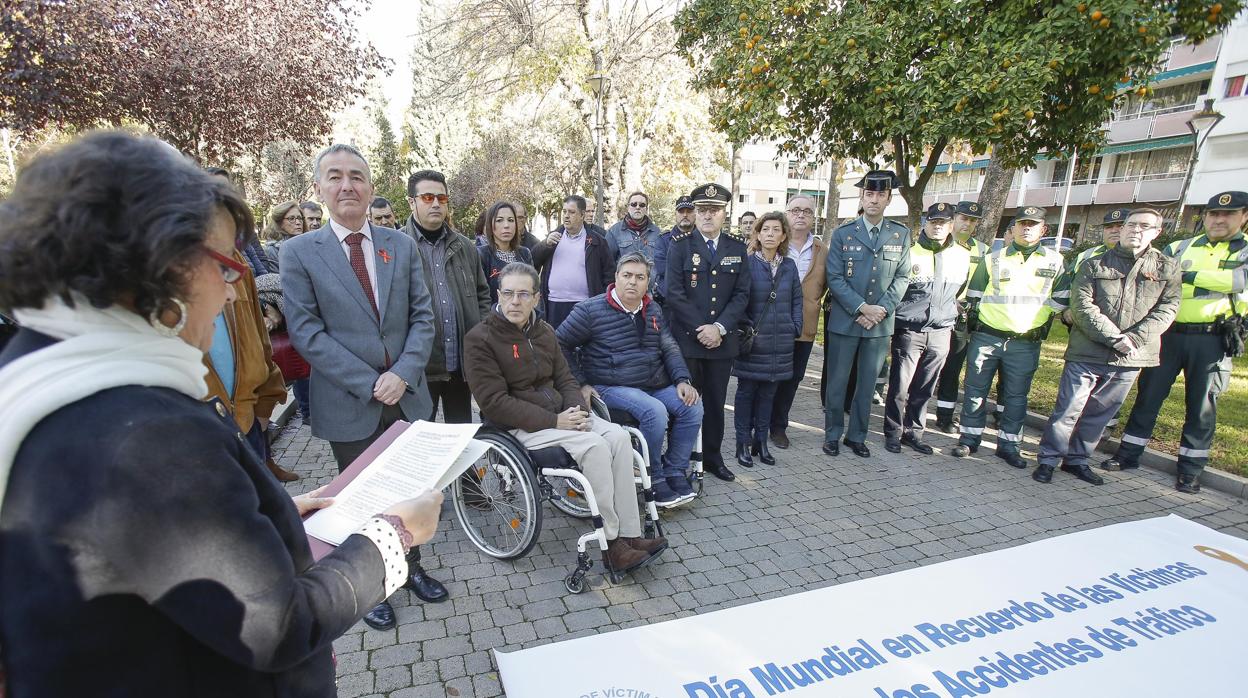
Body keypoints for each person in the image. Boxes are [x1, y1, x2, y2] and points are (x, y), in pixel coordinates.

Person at [0, 130, 443, 695]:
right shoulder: (149, 438)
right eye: (224, 265)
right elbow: (277, 624)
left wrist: (272, 508)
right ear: (162, 260)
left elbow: (166, 543)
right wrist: (392, 534)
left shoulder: (43, 373)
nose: (234, 292)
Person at [281, 144, 448, 631]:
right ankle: (370, 585)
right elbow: (307, 333)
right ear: (319, 189)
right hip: (350, 400)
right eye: (335, 177)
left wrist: (403, 373)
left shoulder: (400, 244)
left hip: (407, 395)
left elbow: (423, 317)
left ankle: (412, 568)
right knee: (358, 497)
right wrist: (371, 382)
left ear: (371, 187)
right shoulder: (298, 253)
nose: (347, 185)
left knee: (412, 490)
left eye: (357, 176)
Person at [463, 262, 668, 573]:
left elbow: (566, 379)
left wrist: (579, 412)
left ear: (536, 297)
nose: (514, 302)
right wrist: (555, 421)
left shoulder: (544, 332)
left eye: (523, 294)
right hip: (519, 426)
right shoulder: (481, 339)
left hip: (563, 415)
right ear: (499, 295)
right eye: (507, 294)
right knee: (595, 447)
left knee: (619, 437)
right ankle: (611, 544)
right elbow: (494, 402)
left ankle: (630, 533)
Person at [1104, 191, 1248, 493]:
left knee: (1201, 406)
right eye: (1213, 214)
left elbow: (1238, 282)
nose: (1219, 219)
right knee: (1148, 396)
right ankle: (1128, 455)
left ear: (1244, 217)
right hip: (1168, 333)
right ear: (1205, 216)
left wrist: (1185, 273)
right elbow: (1154, 273)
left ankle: (1190, 471)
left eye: (1228, 214)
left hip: (1213, 338)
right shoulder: (1180, 246)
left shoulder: (1244, 250)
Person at [1033, 208, 1181, 486]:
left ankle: (1077, 460)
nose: (1136, 230)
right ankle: (1048, 459)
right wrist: (1114, 337)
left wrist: (1134, 339)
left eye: (1144, 226)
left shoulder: (1167, 267)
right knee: (1068, 409)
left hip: (1131, 356)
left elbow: (1168, 308)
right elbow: (1082, 306)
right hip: (1086, 351)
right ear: (1123, 229)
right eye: (1131, 224)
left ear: (1157, 232)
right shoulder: (1094, 264)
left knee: (1100, 414)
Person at [557, 252, 703, 507]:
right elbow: (558, 344)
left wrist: (682, 379)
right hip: (610, 387)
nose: (632, 282)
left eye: (640, 277)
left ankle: (675, 470)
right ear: (616, 278)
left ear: (648, 282)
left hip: (653, 384)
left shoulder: (653, 309)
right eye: (627, 275)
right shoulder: (590, 310)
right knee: (655, 411)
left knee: (693, 405)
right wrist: (581, 383)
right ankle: (653, 476)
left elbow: (669, 347)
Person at [952, 206, 1071, 467]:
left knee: (1016, 396)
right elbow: (973, 296)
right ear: (1013, 228)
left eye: (1033, 224)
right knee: (974, 390)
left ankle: (1009, 445)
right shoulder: (993, 259)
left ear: (1043, 229)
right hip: (987, 337)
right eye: (1022, 223)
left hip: (1025, 341)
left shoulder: (1055, 262)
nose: (1027, 228)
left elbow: (1061, 301)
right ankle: (969, 440)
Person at [664, 183, 751, 482]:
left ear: (724, 213)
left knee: (714, 403)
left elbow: (742, 294)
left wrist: (719, 328)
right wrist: (701, 329)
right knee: (685, 403)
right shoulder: (680, 246)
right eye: (702, 210)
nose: (707, 216)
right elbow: (672, 292)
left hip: (721, 342)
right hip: (688, 342)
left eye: (713, 211)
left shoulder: (737, 248)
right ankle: (679, 459)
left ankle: (713, 457)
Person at [821, 171, 911, 458]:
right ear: (862, 196)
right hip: (846, 321)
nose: (873, 199)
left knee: (867, 384)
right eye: (869, 194)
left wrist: (879, 311)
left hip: (879, 324)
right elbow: (834, 277)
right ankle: (833, 434)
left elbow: (902, 278)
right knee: (837, 382)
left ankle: (857, 436)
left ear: (888, 199)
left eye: (879, 195)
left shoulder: (901, 234)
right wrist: (861, 308)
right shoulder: (843, 233)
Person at [402, 169, 492, 425]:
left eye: (441, 199)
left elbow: (482, 294)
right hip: (419, 368)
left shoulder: (465, 247)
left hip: (460, 365)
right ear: (412, 202)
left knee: (460, 436)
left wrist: (479, 334)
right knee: (418, 438)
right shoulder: (396, 247)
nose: (435, 204)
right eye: (427, 197)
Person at [884, 202, 971, 455]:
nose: (937, 227)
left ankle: (914, 432)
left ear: (951, 225)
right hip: (910, 330)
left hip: (941, 330)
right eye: (933, 222)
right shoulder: (909, 253)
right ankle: (893, 431)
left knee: (925, 387)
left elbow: (960, 291)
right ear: (925, 223)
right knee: (900, 386)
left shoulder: (962, 256)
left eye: (943, 223)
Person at [732, 213, 803, 468]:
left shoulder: (789, 266)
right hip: (754, 343)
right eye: (766, 229)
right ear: (758, 234)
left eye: (776, 229)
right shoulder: (748, 263)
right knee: (746, 392)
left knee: (769, 394)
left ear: (784, 235)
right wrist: (745, 327)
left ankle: (760, 442)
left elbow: (797, 300)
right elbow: (739, 300)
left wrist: (795, 327)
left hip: (781, 342)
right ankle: (742, 442)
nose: (770, 234)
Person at [769, 194, 824, 449]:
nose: (800, 215)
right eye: (795, 210)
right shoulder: (772, 244)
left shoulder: (822, 250)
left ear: (814, 217)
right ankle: (761, 423)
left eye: (807, 211)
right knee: (771, 377)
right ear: (786, 213)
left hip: (804, 326)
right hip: (773, 325)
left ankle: (779, 426)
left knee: (792, 379)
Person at [934, 200, 988, 433]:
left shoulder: (983, 251)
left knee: (953, 367)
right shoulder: (939, 243)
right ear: (953, 219)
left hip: (963, 317)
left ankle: (945, 416)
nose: (968, 224)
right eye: (964, 218)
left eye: (973, 220)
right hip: (936, 311)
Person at [531, 195, 614, 329]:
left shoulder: (597, 241)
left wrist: (603, 303)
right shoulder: (554, 237)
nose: (566, 216)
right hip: (554, 304)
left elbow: (609, 275)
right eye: (564, 211)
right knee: (556, 345)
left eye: (571, 212)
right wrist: (545, 244)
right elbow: (533, 261)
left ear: (582, 215)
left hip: (585, 304)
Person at [478, 201, 534, 303]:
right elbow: (480, 296)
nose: (506, 225)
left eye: (511, 220)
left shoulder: (524, 254)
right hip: (493, 316)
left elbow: (532, 290)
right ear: (490, 224)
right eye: (499, 220)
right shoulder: (481, 255)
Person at [606, 191, 664, 272]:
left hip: (650, 283)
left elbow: (661, 262)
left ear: (646, 209)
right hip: (625, 283)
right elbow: (607, 263)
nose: (637, 207)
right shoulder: (614, 232)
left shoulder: (656, 232)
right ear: (628, 207)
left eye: (642, 205)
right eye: (634, 204)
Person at [653, 195, 695, 303]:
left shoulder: (704, 239)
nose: (685, 215)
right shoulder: (664, 240)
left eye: (689, 211)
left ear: (695, 214)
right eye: (681, 212)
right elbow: (662, 268)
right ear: (675, 215)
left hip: (697, 301)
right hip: (669, 301)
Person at [260, 200, 307, 272]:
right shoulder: (272, 251)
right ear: (279, 223)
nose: (298, 222)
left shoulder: (309, 245)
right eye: (291, 219)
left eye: (300, 218)